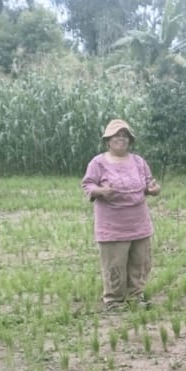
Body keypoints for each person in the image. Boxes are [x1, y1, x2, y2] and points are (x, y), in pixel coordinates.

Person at [81, 119, 161, 311]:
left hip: (138, 222)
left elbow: (150, 184)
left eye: (125, 136)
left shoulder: (139, 162)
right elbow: (88, 185)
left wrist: (153, 189)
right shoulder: (98, 163)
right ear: (108, 140)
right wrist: (100, 191)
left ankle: (136, 296)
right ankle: (114, 301)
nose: (121, 139)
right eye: (117, 135)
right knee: (114, 264)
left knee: (140, 262)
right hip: (112, 225)